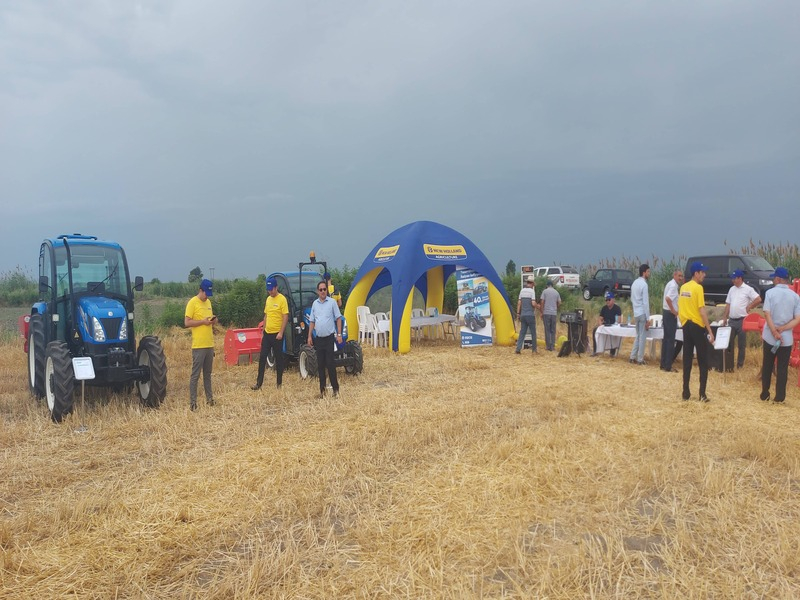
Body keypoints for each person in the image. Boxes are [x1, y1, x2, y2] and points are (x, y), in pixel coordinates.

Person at [759, 267, 800, 403]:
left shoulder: (770, 293)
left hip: (770, 336)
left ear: (777, 279)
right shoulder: (795, 296)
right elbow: (797, 319)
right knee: (782, 367)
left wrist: (774, 331)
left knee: (768, 364)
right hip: (786, 338)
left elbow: (767, 314)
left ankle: (765, 393)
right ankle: (780, 397)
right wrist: (783, 328)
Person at [679, 261, 715, 402]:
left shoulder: (683, 287)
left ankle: (685, 392)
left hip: (686, 325)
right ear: (696, 273)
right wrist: (709, 330)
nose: (704, 275)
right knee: (702, 360)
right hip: (696, 326)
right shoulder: (698, 288)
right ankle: (702, 394)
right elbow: (702, 310)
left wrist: (683, 321)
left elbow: (680, 307)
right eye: (702, 272)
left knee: (687, 359)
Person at [252, 277, 289, 390]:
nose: (270, 291)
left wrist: (281, 333)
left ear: (276, 287)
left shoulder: (282, 299)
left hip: (277, 335)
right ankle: (259, 383)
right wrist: (263, 331)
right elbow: (266, 315)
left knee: (278, 359)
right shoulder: (268, 299)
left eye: (271, 289)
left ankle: (279, 383)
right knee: (262, 357)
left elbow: (285, 317)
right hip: (267, 334)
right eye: (268, 290)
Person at [308, 280, 343, 398]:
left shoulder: (332, 302)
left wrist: (339, 335)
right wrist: (309, 336)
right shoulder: (315, 304)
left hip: (329, 338)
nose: (323, 291)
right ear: (318, 291)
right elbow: (312, 321)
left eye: (324, 289)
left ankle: (335, 390)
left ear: (326, 291)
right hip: (319, 339)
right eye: (321, 289)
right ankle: (322, 391)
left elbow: (338, 318)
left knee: (330, 364)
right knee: (320, 365)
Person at [184, 278, 216, 411]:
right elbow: (187, 323)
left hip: (209, 343)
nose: (207, 296)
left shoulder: (208, 302)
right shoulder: (192, 303)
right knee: (195, 375)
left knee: (207, 374)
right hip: (198, 346)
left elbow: (209, 319)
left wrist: (213, 321)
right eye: (205, 293)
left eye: (209, 294)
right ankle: (193, 403)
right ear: (200, 290)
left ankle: (210, 399)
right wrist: (202, 322)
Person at [721, 269, 762, 369]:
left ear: (740, 278)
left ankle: (740, 365)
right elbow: (728, 304)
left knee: (741, 344)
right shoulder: (732, 289)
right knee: (729, 342)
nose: (733, 281)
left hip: (742, 320)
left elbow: (758, 299)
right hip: (732, 319)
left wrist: (750, 306)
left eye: (734, 278)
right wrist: (725, 316)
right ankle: (728, 364)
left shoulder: (748, 289)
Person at [660, 269, 684, 372]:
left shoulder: (669, 283)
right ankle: (668, 366)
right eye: (679, 276)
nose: (680, 278)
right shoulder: (674, 286)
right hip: (670, 314)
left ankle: (663, 363)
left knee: (666, 340)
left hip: (665, 313)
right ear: (674, 275)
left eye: (681, 276)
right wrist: (674, 311)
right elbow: (668, 298)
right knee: (670, 341)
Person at [629, 264, 651, 365]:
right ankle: (640, 359)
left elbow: (632, 299)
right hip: (642, 312)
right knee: (642, 337)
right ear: (644, 272)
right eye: (648, 272)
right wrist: (648, 318)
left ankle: (632, 356)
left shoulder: (634, 283)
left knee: (638, 335)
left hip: (636, 313)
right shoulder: (644, 285)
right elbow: (645, 303)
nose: (649, 274)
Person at [592, 291, 622, 356]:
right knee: (595, 330)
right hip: (605, 326)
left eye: (609, 299)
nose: (607, 301)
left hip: (613, 326)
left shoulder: (617, 308)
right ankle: (595, 350)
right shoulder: (604, 308)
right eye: (606, 300)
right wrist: (600, 324)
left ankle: (612, 351)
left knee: (614, 332)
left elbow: (619, 320)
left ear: (613, 300)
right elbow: (600, 318)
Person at [515, 275, 539, 354]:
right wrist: (538, 306)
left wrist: (518, 313)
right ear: (532, 284)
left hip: (523, 315)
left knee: (522, 332)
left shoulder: (522, 291)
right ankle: (534, 350)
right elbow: (533, 303)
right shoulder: (532, 291)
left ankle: (518, 349)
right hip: (530, 315)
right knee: (533, 333)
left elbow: (519, 303)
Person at [540, 280, 561, 351]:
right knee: (553, 330)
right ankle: (552, 346)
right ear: (552, 285)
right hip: (553, 313)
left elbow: (542, 302)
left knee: (547, 330)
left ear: (547, 285)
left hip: (546, 313)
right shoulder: (556, 292)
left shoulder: (544, 291)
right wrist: (556, 307)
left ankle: (548, 346)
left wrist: (542, 311)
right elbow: (559, 302)